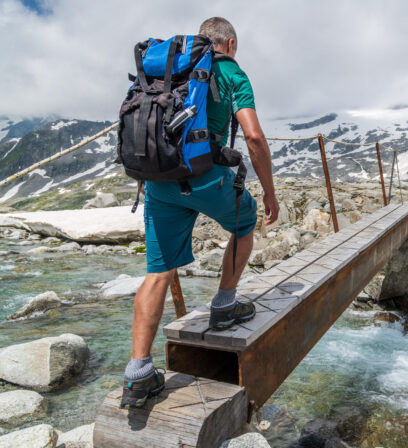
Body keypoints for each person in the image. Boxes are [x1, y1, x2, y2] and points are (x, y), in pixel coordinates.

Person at [120, 16, 279, 408]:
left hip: (159, 184)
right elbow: (254, 138)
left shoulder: (169, 68)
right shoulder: (229, 72)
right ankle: (224, 304)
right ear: (230, 44)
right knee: (245, 223)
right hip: (207, 178)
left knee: (158, 272)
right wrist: (270, 194)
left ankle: (138, 373)